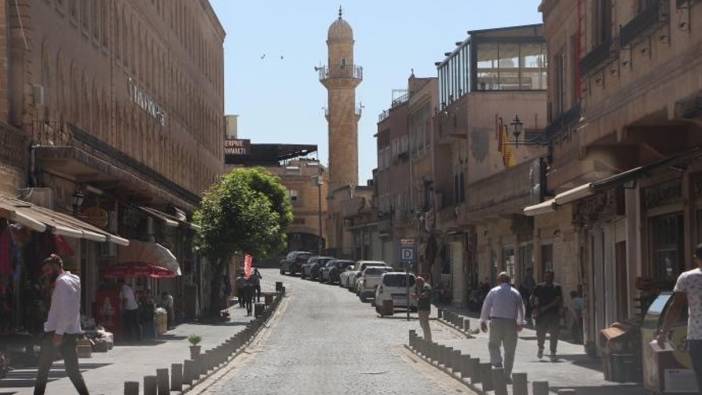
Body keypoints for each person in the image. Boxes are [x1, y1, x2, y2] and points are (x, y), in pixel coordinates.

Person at [33, 254, 89, 395]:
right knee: (72, 370)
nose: (46, 274)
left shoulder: (62, 283)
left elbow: (65, 310)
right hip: (70, 331)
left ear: (57, 267)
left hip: (57, 332)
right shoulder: (74, 279)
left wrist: (58, 333)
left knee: (43, 369)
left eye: (48, 270)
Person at [658, 243, 702, 390]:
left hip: (697, 337)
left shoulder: (687, 278)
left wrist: (664, 332)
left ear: (696, 258)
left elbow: (676, 307)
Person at [480, 272, 525, 380]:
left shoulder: (493, 291)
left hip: (496, 322)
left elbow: (486, 305)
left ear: (498, 281)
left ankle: (497, 364)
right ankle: (506, 374)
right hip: (511, 323)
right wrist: (520, 322)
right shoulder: (515, 292)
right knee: (510, 350)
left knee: (493, 345)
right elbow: (521, 308)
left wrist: (483, 320)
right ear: (509, 281)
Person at [531, 271, 563, 360]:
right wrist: (534, 308)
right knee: (540, 333)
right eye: (546, 276)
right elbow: (533, 297)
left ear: (553, 277)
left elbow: (558, 300)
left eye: (550, 276)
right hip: (541, 315)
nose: (548, 278)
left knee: (554, 333)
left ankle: (553, 352)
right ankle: (540, 348)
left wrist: (546, 308)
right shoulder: (539, 287)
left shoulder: (557, 287)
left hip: (553, 313)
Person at [413, 276, 433, 342]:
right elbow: (416, 294)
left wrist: (417, 296)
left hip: (425, 308)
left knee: (425, 323)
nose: (417, 284)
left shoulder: (426, 286)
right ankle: (426, 337)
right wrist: (415, 296)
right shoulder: (417, 287)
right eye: (416, 282)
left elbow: (425, 295)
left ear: (422, 281)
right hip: (420, 307)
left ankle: (428, 339)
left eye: (418, 282)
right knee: (422, 323)